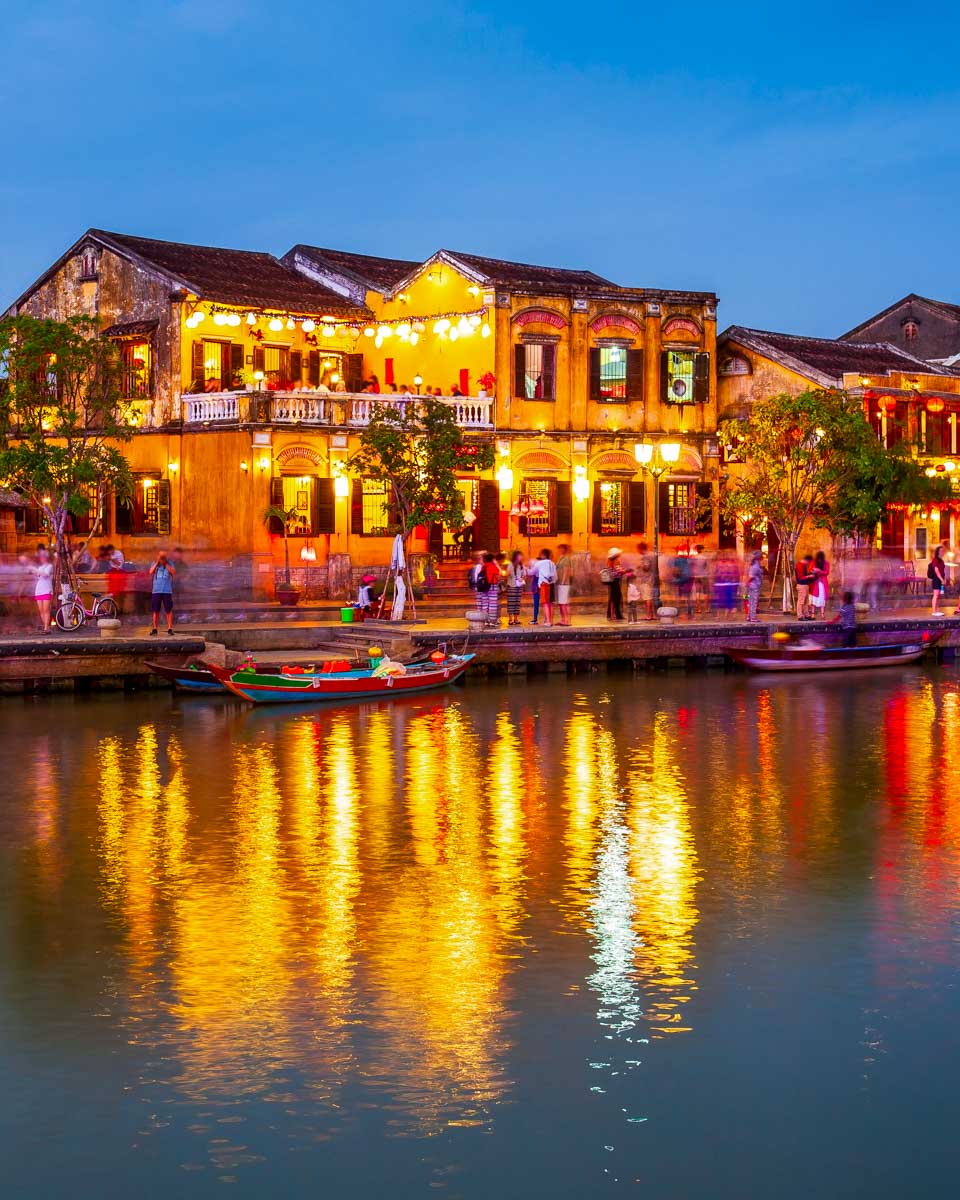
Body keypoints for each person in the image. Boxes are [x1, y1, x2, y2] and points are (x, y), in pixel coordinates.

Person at [149, 551, 176, 635]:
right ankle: (155, 629)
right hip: (156, 590)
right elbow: (150, 572)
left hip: (167, 590)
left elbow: (173, 572)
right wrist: (157, 562)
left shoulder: (170, 563)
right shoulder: (154, 563)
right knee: (155, 610)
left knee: (168, 610)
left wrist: (165, 563)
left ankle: (170, 628)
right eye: (160, 556)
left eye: (163, 556)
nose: (162, 558)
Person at [532, 548, 557, 626]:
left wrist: (526, 569)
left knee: (545, 603)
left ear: (543, 555)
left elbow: (532, 571)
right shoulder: (552, 563)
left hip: (544, 584)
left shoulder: (540, 563)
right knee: (550, 603)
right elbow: (556, 576)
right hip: (552, 584)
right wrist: (552, 581)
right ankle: (551, 621)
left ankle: (548, 621)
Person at [31, 545, 53, 633]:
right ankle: (45, 626)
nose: (42, 558)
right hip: (39, 590)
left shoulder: (50, 566)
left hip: (46, 589)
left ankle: (46, 628)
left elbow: (45, 574)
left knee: (46, 609)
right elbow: (38, 576)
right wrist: (33, 572)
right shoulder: (39, 567)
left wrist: (35, 570)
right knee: (41, 610)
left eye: (44, 557)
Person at [477, 552, 502, 627]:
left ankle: (486, 621)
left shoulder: (483, 567)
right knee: (492, 604)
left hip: (484, 587)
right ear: (492, 559)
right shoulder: (493, 566)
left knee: (485, 604)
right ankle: (492, 621)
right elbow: (498, 574)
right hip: (492, 587)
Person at [713, 551, 739, 617]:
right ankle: (725, 614)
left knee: (726, 597)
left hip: (726, 583)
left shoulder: (726, 564)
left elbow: (716, 573)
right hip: (725, 583)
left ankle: (726, 614)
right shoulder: (727, 564)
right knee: (725, 597)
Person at [602, 547, 624, 621]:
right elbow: (614, 572)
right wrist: (621, 571)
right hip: (614, 581)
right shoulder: (613, 561)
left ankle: (613, 614)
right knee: (614, 598)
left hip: (613, 581)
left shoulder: (612, 561)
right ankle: (612, 614)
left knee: (614, 597)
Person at [505, 550, 526, 625]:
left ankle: (516, 619)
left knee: (517, 602)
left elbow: (524, 574)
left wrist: (522, 578)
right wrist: (508, 573)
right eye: (520, 555)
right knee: (511, 602)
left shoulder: (521, 565)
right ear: (516, 556)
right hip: (512, 585)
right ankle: (510, 619)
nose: (521, 557)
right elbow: (507, 574)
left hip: (519, 586)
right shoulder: (511, 564)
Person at [635, 541, 655, 620]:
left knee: (647, 598)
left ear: (641, 549)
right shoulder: (651, 555)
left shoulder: (646, 556)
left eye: (638, 549)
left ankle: (648, 615)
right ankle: (653, 614)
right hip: (650, 578)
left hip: (647, 579)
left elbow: (646, 567)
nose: (637, 551)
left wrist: (640, 566)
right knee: (650, 597)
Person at [555, 543, 573, 626]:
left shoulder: (566, 559)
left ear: (564, 549)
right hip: (560, 583)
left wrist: (563, 581)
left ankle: (568, 620)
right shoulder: (560, 558)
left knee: (564, 603)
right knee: (561, 603)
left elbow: (566, 570)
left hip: (564, 584)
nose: (559, 550)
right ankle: (563, 619)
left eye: (561, 548)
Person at [673, 551, 694, 619]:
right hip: (689, 578)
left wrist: (675, 578)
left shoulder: (676, 560)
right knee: (688, 596)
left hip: (681, 578)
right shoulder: (687, 559)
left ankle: (678, 610)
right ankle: (689, 610)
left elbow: (676, 570)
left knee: (679, 595)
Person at [810, 550, 830, 619]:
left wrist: (819, 571)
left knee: (822, 599)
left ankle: (822, 614)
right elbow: (810, 570)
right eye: (818, 559)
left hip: (822, 584)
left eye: (820, 559)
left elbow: (827, 572)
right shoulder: (813, 562)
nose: (819, 560)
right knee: (814, 599)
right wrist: (813, 571)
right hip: (815, 583)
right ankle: (812, 614)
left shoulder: (826, 563)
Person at [746, 550, 764, 623]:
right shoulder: (756, 566)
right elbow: (751, 577)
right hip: (754, 586)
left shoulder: (753, 564)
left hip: (752, 586)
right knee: (754, 602)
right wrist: (746, 583)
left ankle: (749, 616)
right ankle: (753, 617)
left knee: (750, 601)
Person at [796, 555, 815, 620]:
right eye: (809, 562)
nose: (809, 564)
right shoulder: (799, 565)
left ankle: (806, 615)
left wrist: (810, 574)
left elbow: (804, 575)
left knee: (806, 601)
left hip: (805, 585)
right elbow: (800, 578)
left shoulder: (803, 565)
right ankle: (800, 616)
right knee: (801, 601)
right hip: (802, 585)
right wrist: (809, 576)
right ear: (807, 561)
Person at [929, 545, 947, 615]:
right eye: (941, 551)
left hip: (941, 579)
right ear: (938, 552)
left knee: (938, 595)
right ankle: (934, 612)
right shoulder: (935, 560)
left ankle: (937, 610)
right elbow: (936, 570)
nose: (943, 552)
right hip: (936, 579)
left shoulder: (941, 561)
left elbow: (943, 571)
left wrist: (944, 579)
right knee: (936, 595)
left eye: (943, 551)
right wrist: (941, 579)